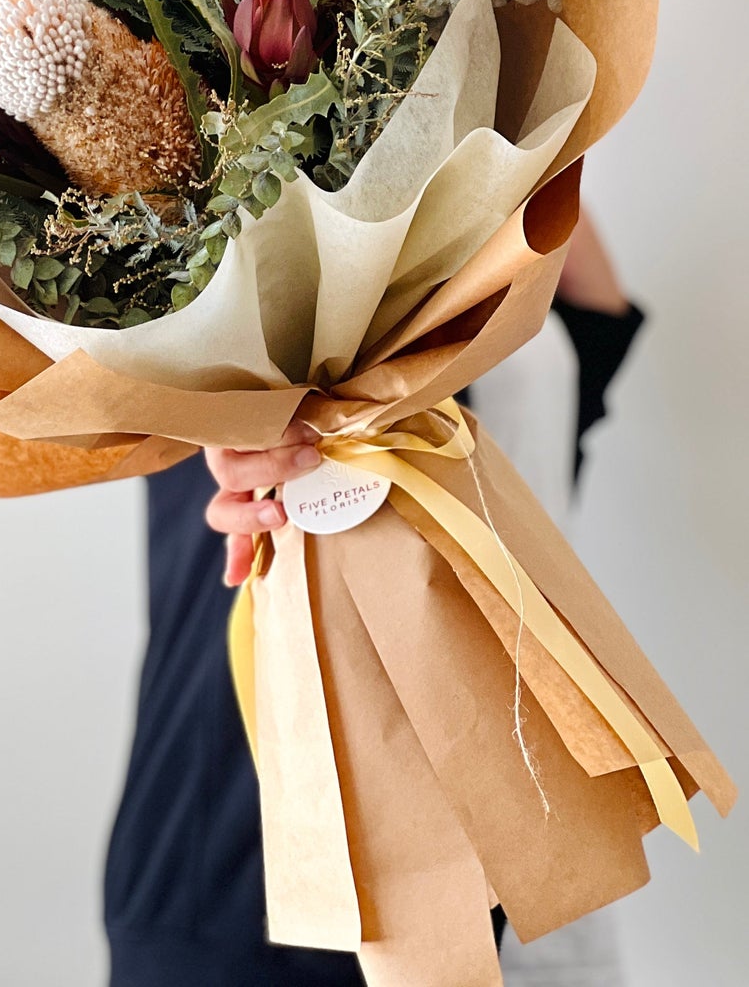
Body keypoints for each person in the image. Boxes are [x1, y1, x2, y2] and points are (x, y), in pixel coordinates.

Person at [104, 214, 643, 987]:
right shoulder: (223, 246)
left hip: (498, 854)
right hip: (235, 856)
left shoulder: (517, 302)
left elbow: (588, 314)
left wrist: (513, 130)